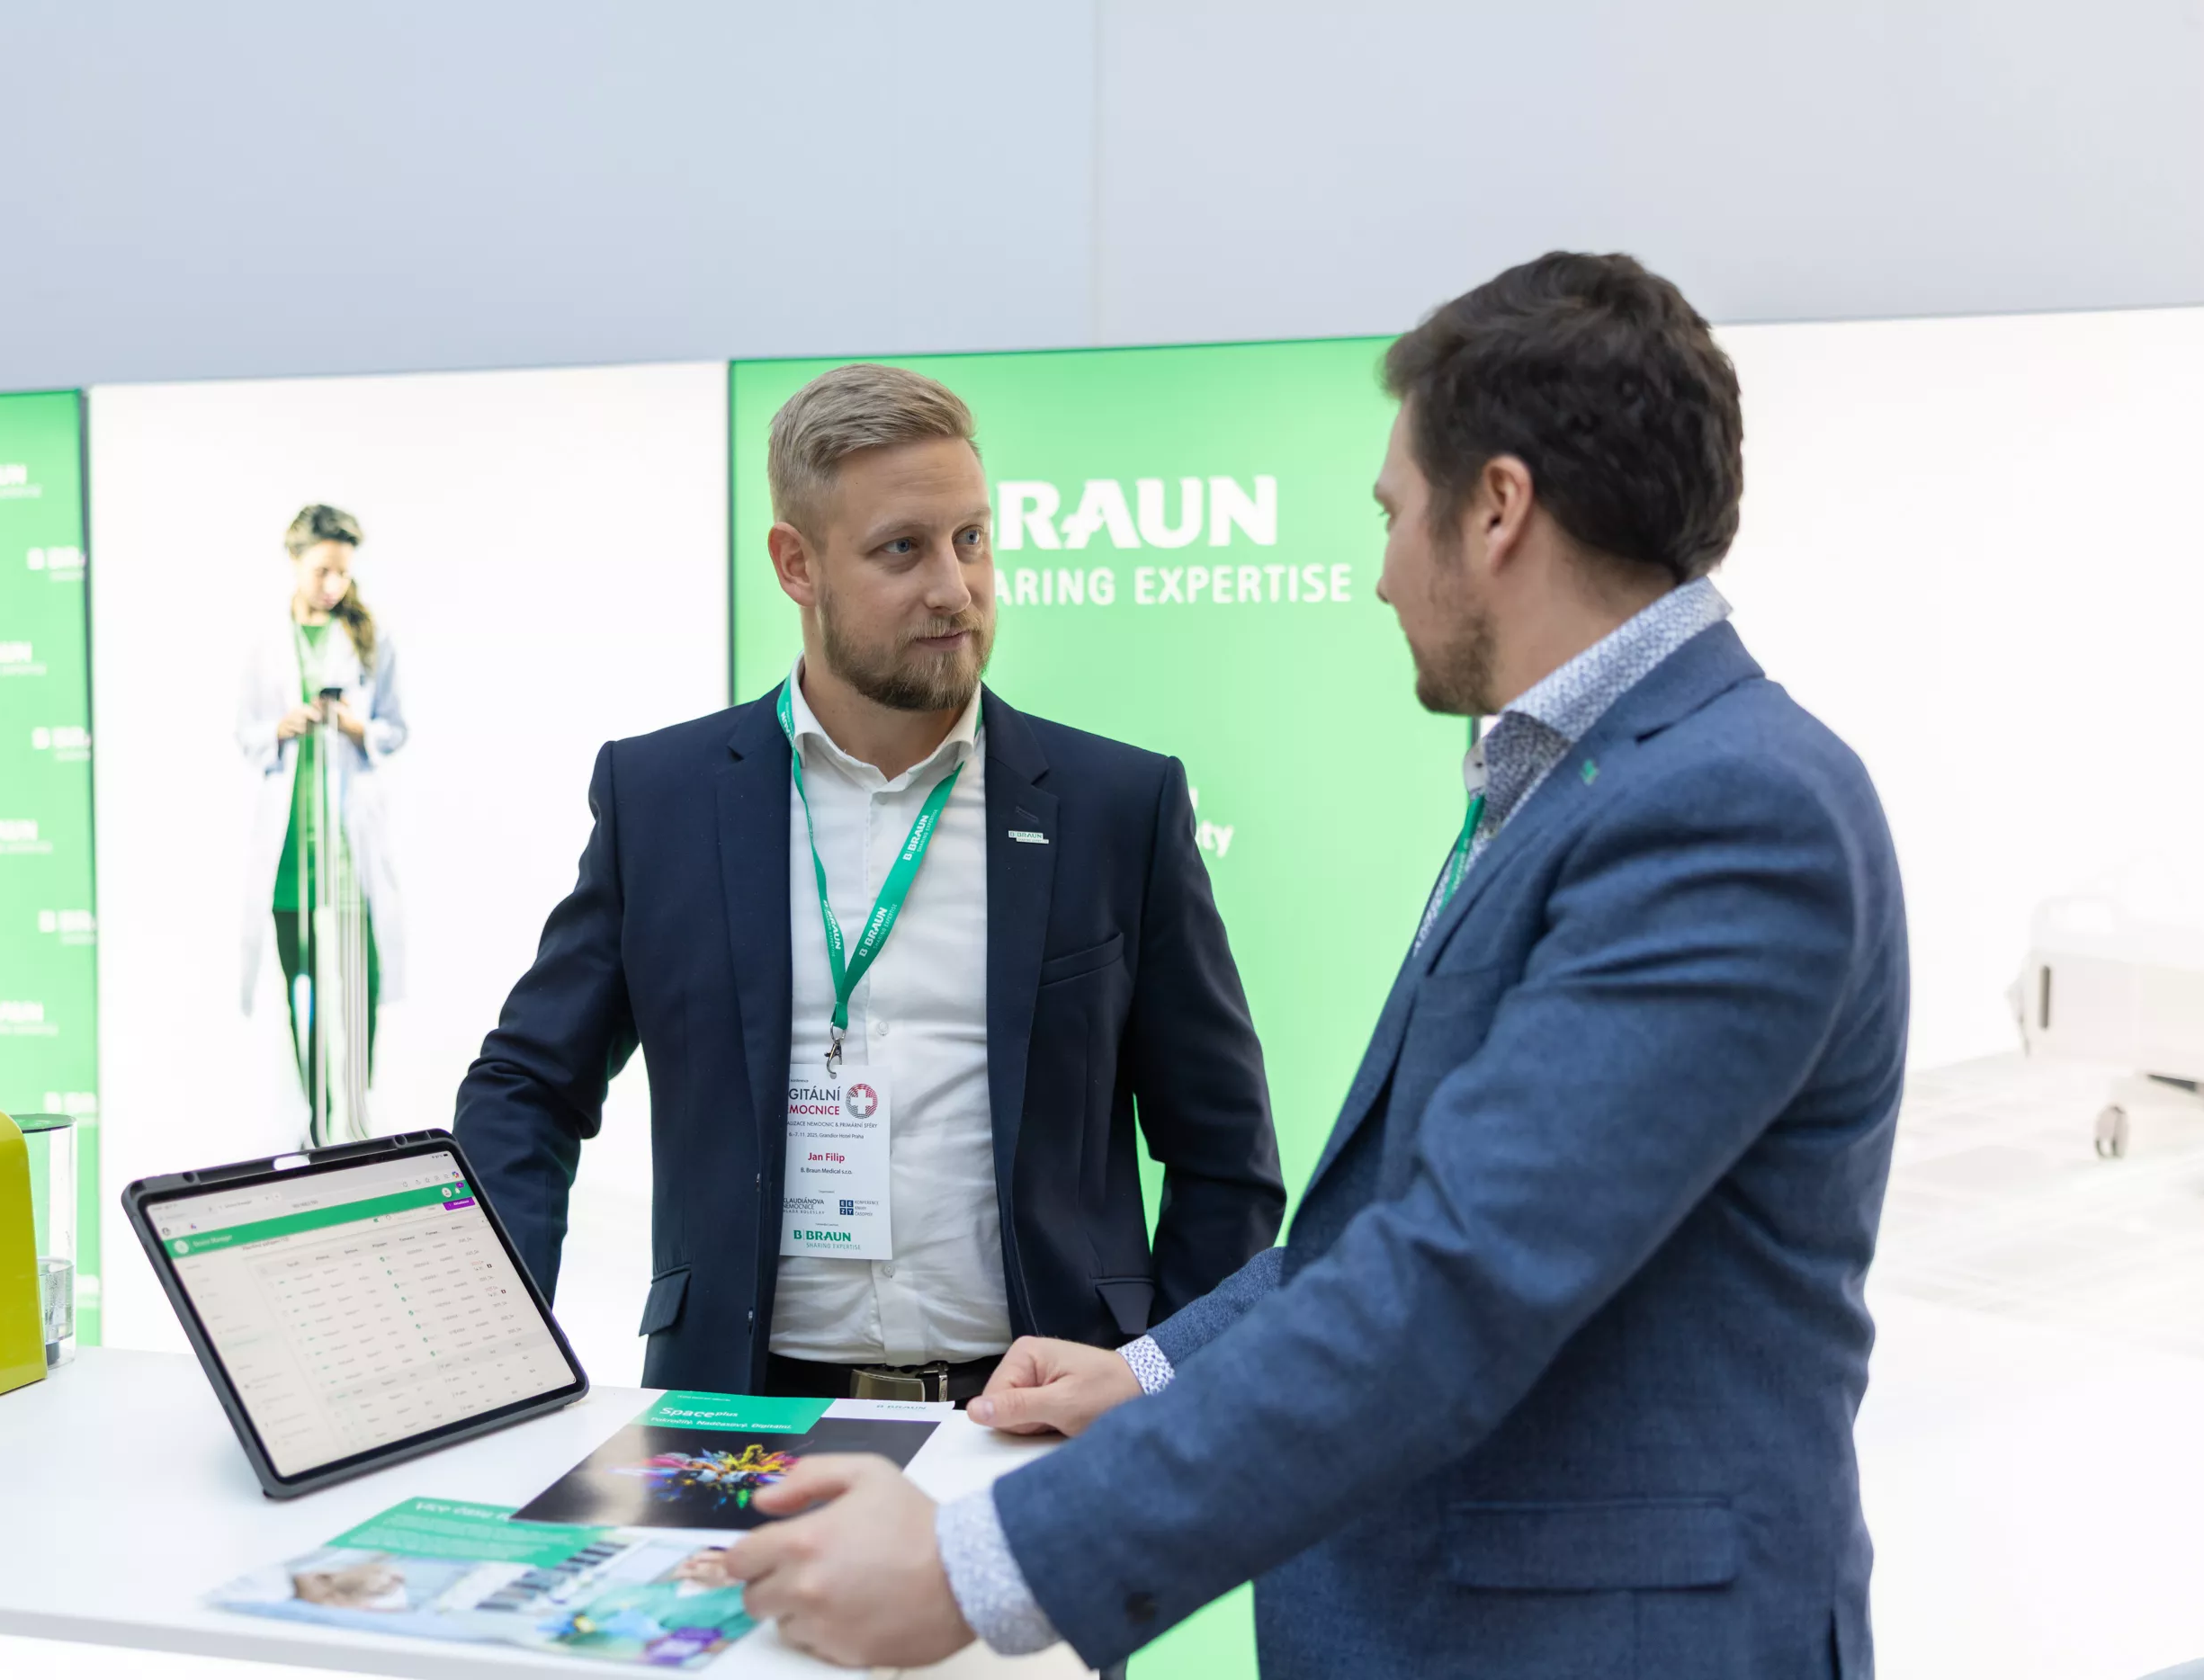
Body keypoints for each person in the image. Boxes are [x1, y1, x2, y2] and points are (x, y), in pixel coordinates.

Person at [720, 253, 1911, 1679]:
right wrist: (1152, 1369)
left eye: (1395, 515)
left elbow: (1456, 1276)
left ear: (1499, 509)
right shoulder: (1585, 781)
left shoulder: (1725, 809)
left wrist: (978, 1569)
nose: (1381, 573)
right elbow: (1399, 1224)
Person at [453, 363, 1286, 1405]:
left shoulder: (1116, 804)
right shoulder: (661, 798)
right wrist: (485, 1356)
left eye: (970, 538)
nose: (954, 587)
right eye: (903, 548)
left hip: (1035, 1422)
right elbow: (528, 1087)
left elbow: (1224, 1151)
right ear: (796, 564)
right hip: (737, 1413)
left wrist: (1160, 1386)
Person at [237, 504, 408, 1148]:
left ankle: (355, 1120)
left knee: (357, 993)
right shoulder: (266, 643)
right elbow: (245, 732)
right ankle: (310, 1123)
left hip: (346, 853)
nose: (334, 584)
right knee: (299, 997)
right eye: (322, 570)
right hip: (290, 856)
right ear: (295, 561)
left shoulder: (370, 638)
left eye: (343, 572)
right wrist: (280, 727)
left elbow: (397, 727)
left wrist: (357, 727)